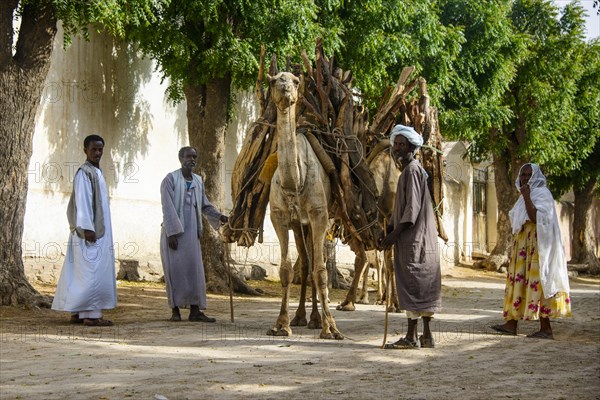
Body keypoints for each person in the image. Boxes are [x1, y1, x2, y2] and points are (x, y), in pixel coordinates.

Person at [491, 163, 571, 339]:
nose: (525, 178)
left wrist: (527, 197)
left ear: (536, 177)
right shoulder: (522, 197)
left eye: (528, 175)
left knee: (539, 281)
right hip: (523, 248)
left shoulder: (543, 194)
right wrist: (525, 197)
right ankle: (512, 324)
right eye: (523, 175)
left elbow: (536, 218)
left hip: (538, 248)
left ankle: (546, 328)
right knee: (518, 281)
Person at [379, 124, 441, 349]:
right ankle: (426, 336)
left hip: (413, 240)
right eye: (395, 143)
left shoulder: (412, 171)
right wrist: (388, 229)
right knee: (420, 284)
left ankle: (411, 337)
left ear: (411, 147)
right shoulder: (411, 171)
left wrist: (392, 236)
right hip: (414, 239)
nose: (397, 148)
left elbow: (411, 212)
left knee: (414, 283)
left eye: (402, 144)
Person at [52, 134, 117, 326]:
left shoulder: (97, 172)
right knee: (91, 271)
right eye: (94, 149)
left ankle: (78, 312)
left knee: (82, 272)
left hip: (97, 232)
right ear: (85, 150)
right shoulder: (84, 173)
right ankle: (91, 315)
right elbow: (83, 203)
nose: (97, 153)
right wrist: (88, 228)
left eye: (100, 149)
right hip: (88, 233)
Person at [160, 146, 228, 322]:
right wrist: (172, 233)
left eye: (194, 157)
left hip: (192, 234)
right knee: (174, 271)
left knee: (194, 271)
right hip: (174, 233)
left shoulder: (198, 180)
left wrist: (220, 216)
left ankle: (195, 311)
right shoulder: (170, 179)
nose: (192, 160)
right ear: (180, 158)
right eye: (188, 156)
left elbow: (205, 205)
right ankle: (175, 311)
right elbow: (167, 207)